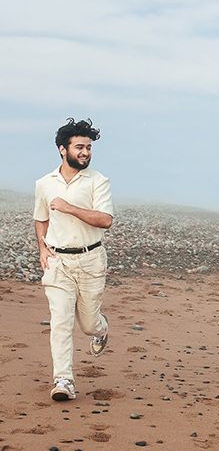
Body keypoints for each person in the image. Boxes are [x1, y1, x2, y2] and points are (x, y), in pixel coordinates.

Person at [34, 118, 114, 402]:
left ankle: (101, 329)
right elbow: (41, 219)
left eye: (89, 147)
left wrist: (69, 207)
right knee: (61, 322)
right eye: (79, 147)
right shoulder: (44, 184)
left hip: (91, 259)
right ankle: (63, 380)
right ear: (62, 149)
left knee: (88, 323)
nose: (85, 152)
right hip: (58, 262)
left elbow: (105, 220)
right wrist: (43, 249)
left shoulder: (98, 181)